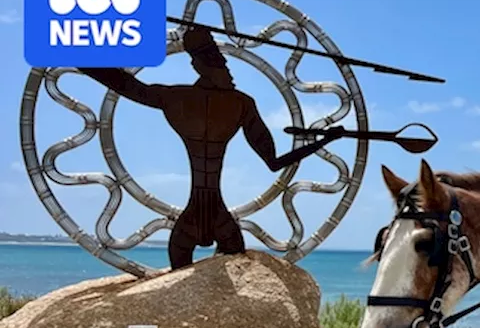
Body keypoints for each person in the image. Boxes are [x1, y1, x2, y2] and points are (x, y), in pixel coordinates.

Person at [77, 27, 343, 270]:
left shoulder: (181, 99)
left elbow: (127, 85)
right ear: (199, 65)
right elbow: (274, 161)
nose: (227, 67)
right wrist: (323, 141)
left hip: (203, 220)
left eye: (223, 60)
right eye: (218, 60)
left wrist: (79, 53)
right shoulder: (236, 104)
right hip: (218, 219)